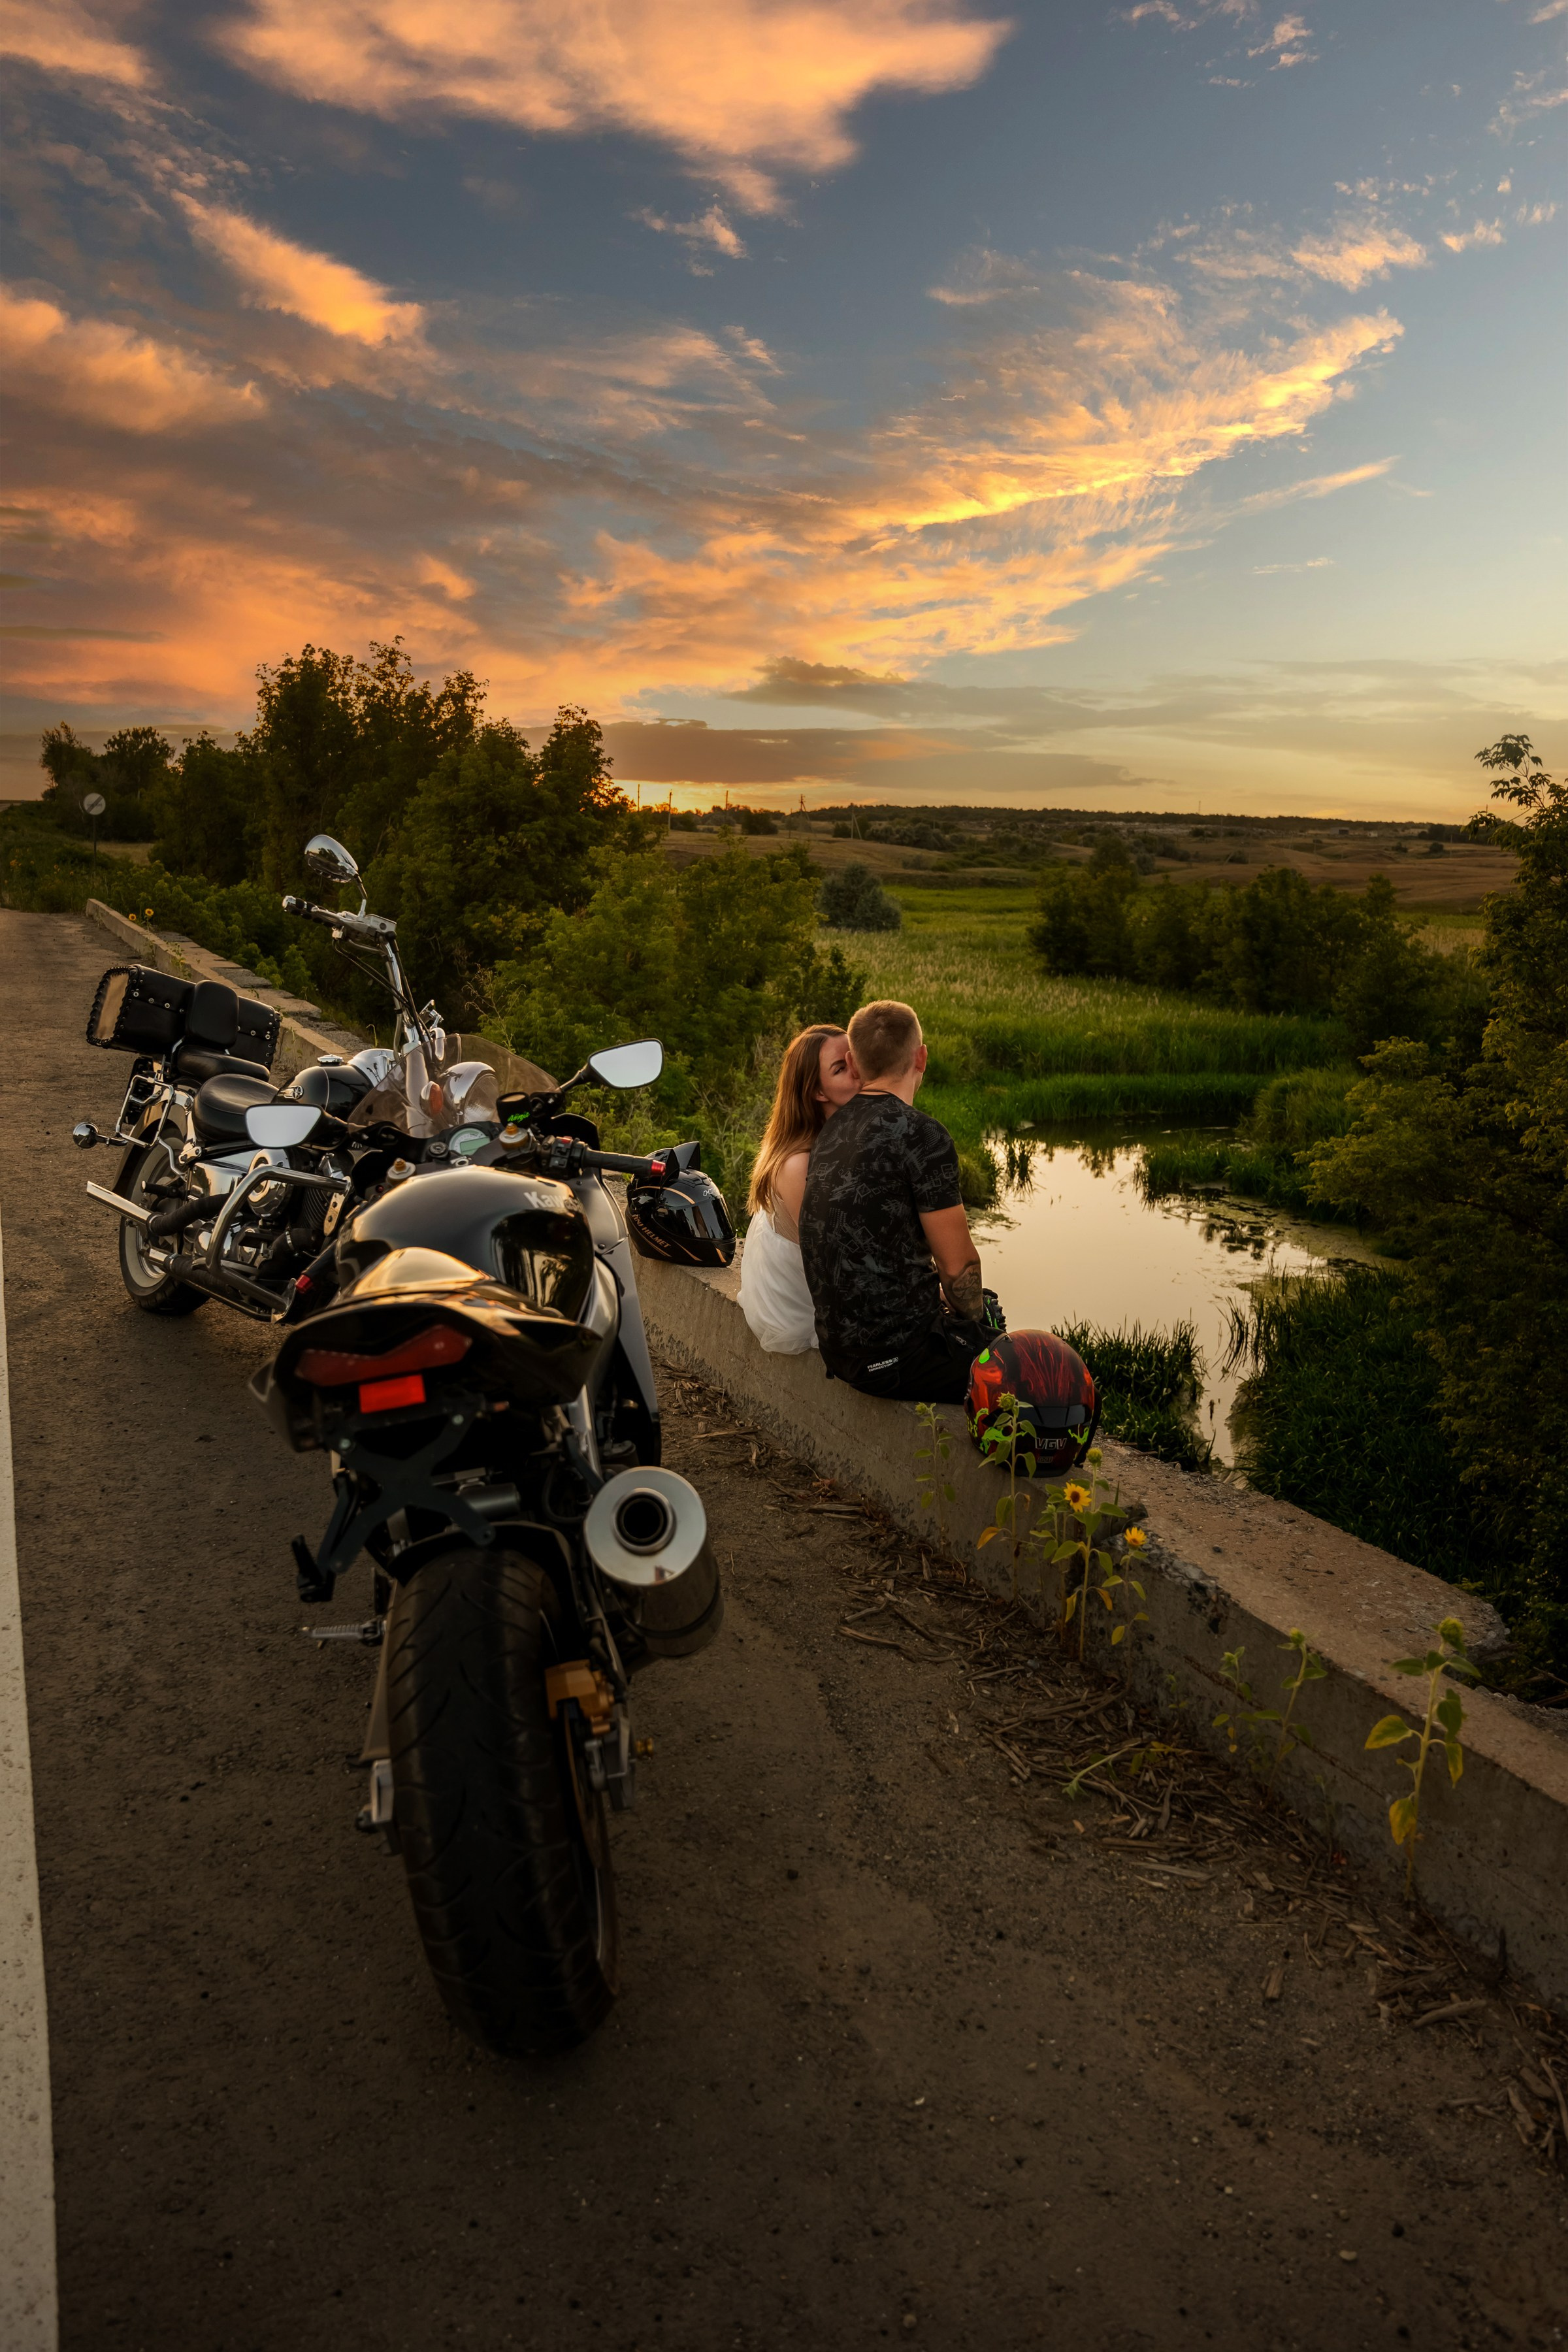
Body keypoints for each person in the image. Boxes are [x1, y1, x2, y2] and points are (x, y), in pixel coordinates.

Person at [798, 999, 994, 1402]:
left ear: (854, 1063)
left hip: (841, 1353)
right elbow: (959, 1269)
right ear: (921, 1057)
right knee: (1026, 1362)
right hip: (899, 1359)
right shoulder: (924, 1136)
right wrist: (980, 1332)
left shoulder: (831, 1132)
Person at [737, 1024, 859, 1354]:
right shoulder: (798, 1164)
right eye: (841, 1068)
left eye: (855, 1058)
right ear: (819, 1092)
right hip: (800, 1307)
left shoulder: (842, 1138)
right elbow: (833, 1257)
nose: (857, 1071)